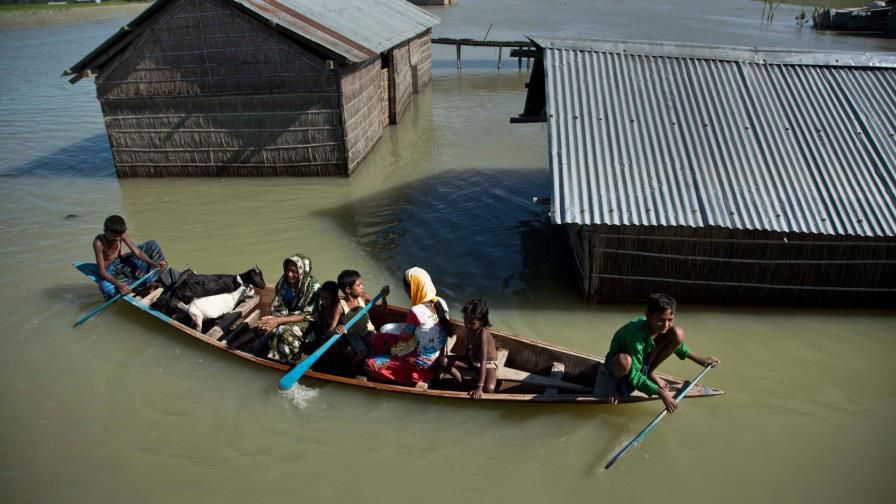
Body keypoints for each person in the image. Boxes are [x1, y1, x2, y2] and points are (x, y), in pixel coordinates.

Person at [596, 293, 720, 412]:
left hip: (643, 360)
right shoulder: (636, 335)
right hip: (618, 364)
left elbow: (677, 345)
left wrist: (701, 360)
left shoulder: (660, 328)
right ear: (648, 315)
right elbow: (634, 376)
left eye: (670, 319)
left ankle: (650, 372)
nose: (666, 325)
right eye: (661, 320)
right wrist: (662, 393)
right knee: (624, 362)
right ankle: (614, 382)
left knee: (677, 333)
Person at [365, 267, 452, 385]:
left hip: (420, 364)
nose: (406, 292)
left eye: (406, 288)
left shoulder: (415, 311)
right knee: (378, 338)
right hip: (436, 356)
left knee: (369, 364)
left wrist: (393, 348)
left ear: (414, 288)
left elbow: (404, 338)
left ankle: (410, 375)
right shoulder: (441, 302)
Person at [260, 254, 320, 363]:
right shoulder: (284, 281)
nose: (289, 274)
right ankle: (277, 354)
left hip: (307, 323)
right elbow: (278, 304)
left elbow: (307, 315)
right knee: (264, 324)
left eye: (294, 271)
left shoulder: (313, 287)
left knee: (281, 329)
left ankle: (295, 356)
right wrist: (273, 318)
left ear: (303, 271)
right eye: (288, 270)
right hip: (287, 316)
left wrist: (278, 321)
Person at [91, 215, 168, 299]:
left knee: (152, 244)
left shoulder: (121, 234)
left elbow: (137, 252)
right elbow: (101, 271)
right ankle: (144, 285)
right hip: (111, 269)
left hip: (121, 260)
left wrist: (155, 264)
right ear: (105, 231)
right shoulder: (99, 243)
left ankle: (158, 274)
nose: (117, 239)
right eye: (114, 236)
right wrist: (120, 285)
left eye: (119, 236)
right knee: (105, 288)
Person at [441, 299, 498, 400]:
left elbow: (483, 361)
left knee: (489, 389)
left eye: (471, 322)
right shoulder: (470, 328)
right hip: (472, 359)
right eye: (465, 319)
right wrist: (465, 356)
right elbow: (469, 345)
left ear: (481, 321)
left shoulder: (483, 334)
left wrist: (480, 387)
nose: (467, 324)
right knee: (443, 361)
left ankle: (474, 386)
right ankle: (463, 383)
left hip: (487, 364)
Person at [329, 270, 381, 373]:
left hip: (367, 331)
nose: (362, 287)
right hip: (353, 334)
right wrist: (336, 330)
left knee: (374, 349)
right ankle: (350, 369)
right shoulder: (340, 306)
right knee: (363, 352)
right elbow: (330, 331)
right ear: (348, 289)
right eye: (359, 285)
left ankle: (366, 366)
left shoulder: (363, 296)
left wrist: (383, 296)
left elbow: (381, 308)